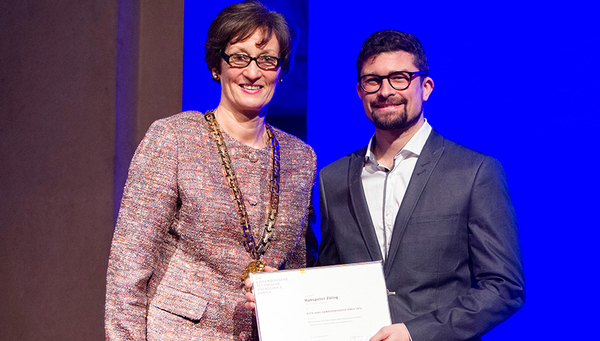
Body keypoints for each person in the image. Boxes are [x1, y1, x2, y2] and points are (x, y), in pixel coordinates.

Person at [104, 1, 317, 340]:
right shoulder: (174, 138)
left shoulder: (300, 158)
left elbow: (296, 266)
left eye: (266, 60)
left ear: (281, 70)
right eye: (239, 57)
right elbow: (128, 266)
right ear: (218, 66)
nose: (252, 72)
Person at [316, 30, 525, 341]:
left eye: (399, 78)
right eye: (373, 81)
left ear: (425, 87)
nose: (385, 90)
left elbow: (504, 287)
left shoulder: (474, 171)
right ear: (360, 91)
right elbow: (330, 278)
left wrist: (417, 333)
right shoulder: (332, 178)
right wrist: (278, 291)